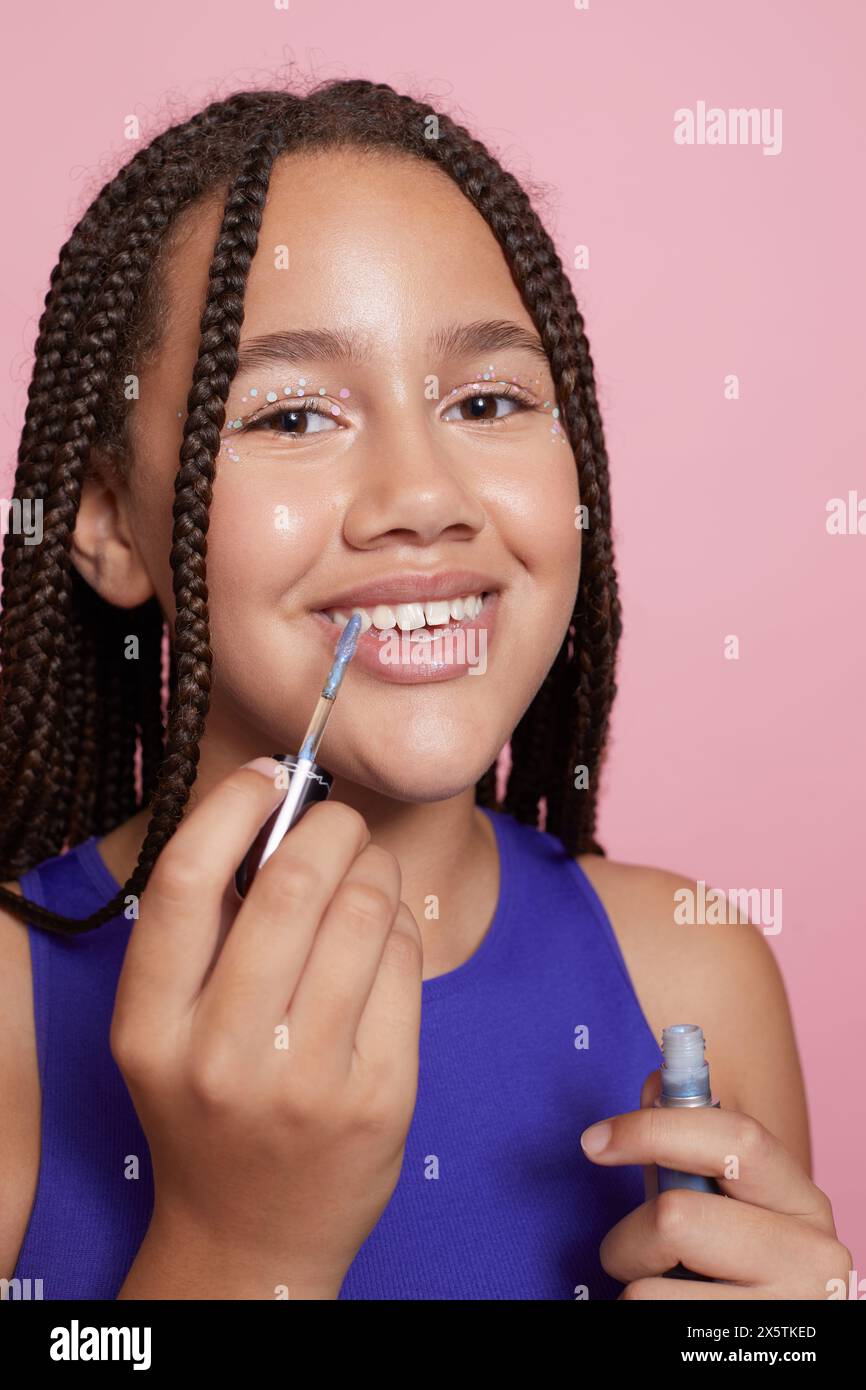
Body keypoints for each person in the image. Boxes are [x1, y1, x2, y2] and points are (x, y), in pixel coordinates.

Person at [0, 80, 849, 1300]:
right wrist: (240, 1248)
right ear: (107, 525)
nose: (422, 492)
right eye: (292, 415)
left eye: (488, 401)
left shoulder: (691, 973)